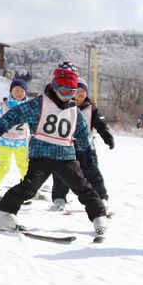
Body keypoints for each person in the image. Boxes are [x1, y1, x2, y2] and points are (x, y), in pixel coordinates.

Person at [0, 65, 108, 240]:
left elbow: (82, 132)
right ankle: (3, 213)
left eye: (72, 92)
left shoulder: (74, 111)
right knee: (29, 188)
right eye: (64, 91)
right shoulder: (39, 104)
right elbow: (14, 115)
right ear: (55, 86)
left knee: (83, 187)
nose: (68, 96)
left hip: (66, 157)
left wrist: (86, 152)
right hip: (41, 154)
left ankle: (98, 216)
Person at [49, 80, 115, 213]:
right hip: (65, 147)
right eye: (78, 92)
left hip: (86, 148)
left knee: (92, 174)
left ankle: (101, 199)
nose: (80, 95)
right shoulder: (63, 106)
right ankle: (59, 199)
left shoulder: (91, 108)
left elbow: (101, 125)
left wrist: (107, 136)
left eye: (83, 92)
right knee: (61, 174)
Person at [0, 80, 30, 200]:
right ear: (11, 91)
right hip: (5, 142)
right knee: (3, 166)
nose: (19, 93)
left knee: (25, 166)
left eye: (21, 91)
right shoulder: (4, 106)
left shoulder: (29, 106)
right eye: (16, 90)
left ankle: (29, 188)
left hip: (21, 142)